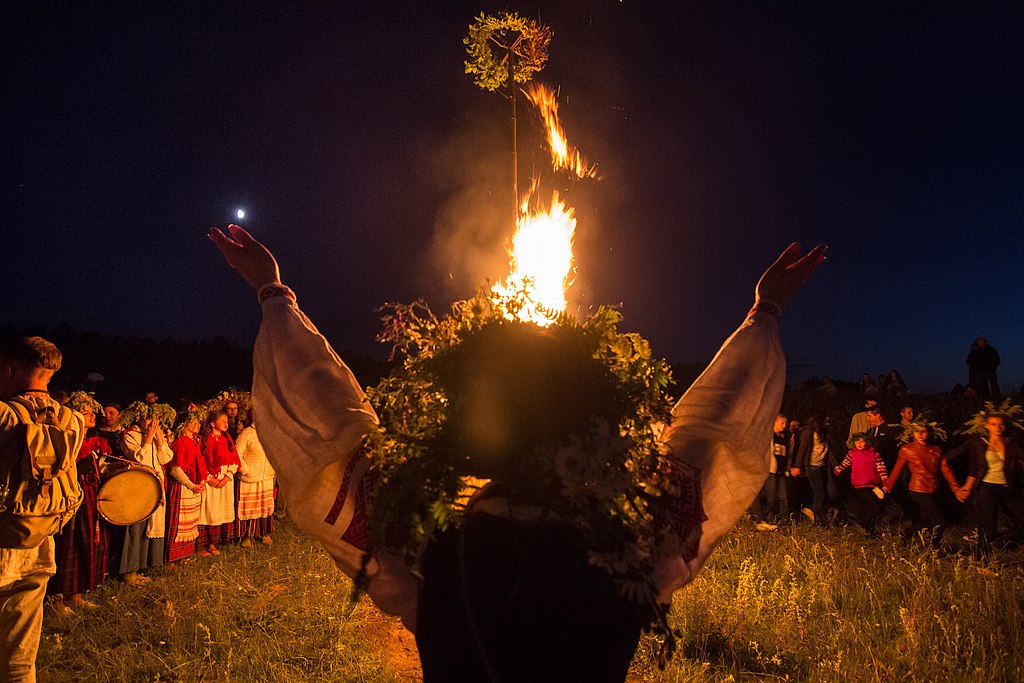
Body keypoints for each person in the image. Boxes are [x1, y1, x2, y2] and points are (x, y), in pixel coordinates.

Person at [209, 223, 825, 680]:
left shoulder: (431, 548)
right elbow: (710, 434)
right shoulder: (629, 552)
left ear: (467, 434)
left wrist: (273, 293)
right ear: (592, 426)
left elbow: (332, 424)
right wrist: (765, 311)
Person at [0, 336, 85, 682]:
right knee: (20, 659)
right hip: (39, 546)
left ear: (7, 368)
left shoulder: (4, 417)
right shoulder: (73, 422)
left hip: (2, 540)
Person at [48, 392, 110, 614]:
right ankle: (57, 600)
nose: (92, 415)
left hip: (91, 495)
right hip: (73, 496)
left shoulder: (90, 442)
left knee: (88, 543)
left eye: (92, 411)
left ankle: (76, 595)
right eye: (85, 412)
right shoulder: (67, 442)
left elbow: (97, 468)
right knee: (69, 544)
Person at [951, 410, 1024, 550]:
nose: (997, 427)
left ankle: (1005, 544)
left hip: (1008, 487)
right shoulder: (979, 444)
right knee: (988, 530)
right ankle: (980, 560)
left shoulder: (1012, 444)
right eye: (993, 424)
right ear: (987, 426)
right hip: (988, 488)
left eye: (1000, 424)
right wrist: (966, 487)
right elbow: (974, 468)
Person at [117, 407, 173, 584]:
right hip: (139, 484)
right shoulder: (130, 436)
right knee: (137, 526)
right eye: (149, 420)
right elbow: (140, 458)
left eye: (155, 420)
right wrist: (148, 439)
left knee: (152, 524)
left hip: (156, 484)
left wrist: (158, 438)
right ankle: (129, 571)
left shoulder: (157, 436)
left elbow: (166, 458)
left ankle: (147, 564)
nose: (152, 423)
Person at [884, 421, 957, 547]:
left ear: (929, 433)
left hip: (934, 488)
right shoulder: (907, 449)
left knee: (928, 519)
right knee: (939, 520)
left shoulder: (936, 449)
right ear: (912, 433)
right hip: (918, 489)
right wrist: (887, 486)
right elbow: (897, 468)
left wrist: (956, 489)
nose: (921, 434)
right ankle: (934, 548)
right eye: (918, 431)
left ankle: (905, 534)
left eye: (924, 431)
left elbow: (946, 469)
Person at [166, 411, 207, 565]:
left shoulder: (195, 441)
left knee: (190, 522)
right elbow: (175, 469)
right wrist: (191, 485)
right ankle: (173, 558)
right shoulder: (180, 443)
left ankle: (185, 554)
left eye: (198, 422)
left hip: (194, 486)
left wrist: (202, 480)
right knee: (179, 522)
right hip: (183, 486)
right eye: (193, 422)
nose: (198, 425)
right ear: (184, 424)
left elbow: (200, 463)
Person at [833, 433, 888, 536]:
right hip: (860, 484)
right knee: (876, 506)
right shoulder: (852, 453)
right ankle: (862, 523)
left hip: (873, 484)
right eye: (857, 441)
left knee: (870, 506)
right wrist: (838, 470)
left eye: (862, 441)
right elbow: (845, 464)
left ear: (867, 442)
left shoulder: (874, 454)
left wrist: (885, 481)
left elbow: (881, 468)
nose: (859, 443)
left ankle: (868, 532)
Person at [200, 411, 239, 555]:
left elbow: (234, 459)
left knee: (221, 508)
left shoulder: (227, 438)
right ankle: (204, 543)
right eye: (222, 420)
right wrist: (209, 478)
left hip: (225, 479)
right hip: (210, 480)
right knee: (209, 509)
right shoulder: (205, 440)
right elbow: (201, 460)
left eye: (226, 420)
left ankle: (214, 542)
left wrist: (227, 477)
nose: (225, 423)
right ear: (212, 423)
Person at [235, 414, 275, 547]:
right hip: (250, 478)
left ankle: (265, 533)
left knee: (265, 506)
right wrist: (246, 470)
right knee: (250, 507)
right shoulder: (247, 434)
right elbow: (237, 454)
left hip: (267, 476)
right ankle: (248, 535)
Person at [792, 414, 839, 525]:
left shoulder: (825, 434)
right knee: (820, 495)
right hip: (812, 467)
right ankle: (818, 522)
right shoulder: (809, 432)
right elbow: (802, 450)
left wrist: (836, 465)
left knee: (832, 492)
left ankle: (824, 511)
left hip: (823, 467)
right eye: (826, 421)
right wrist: (797, 466)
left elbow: (830, 451)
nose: (828, 424)